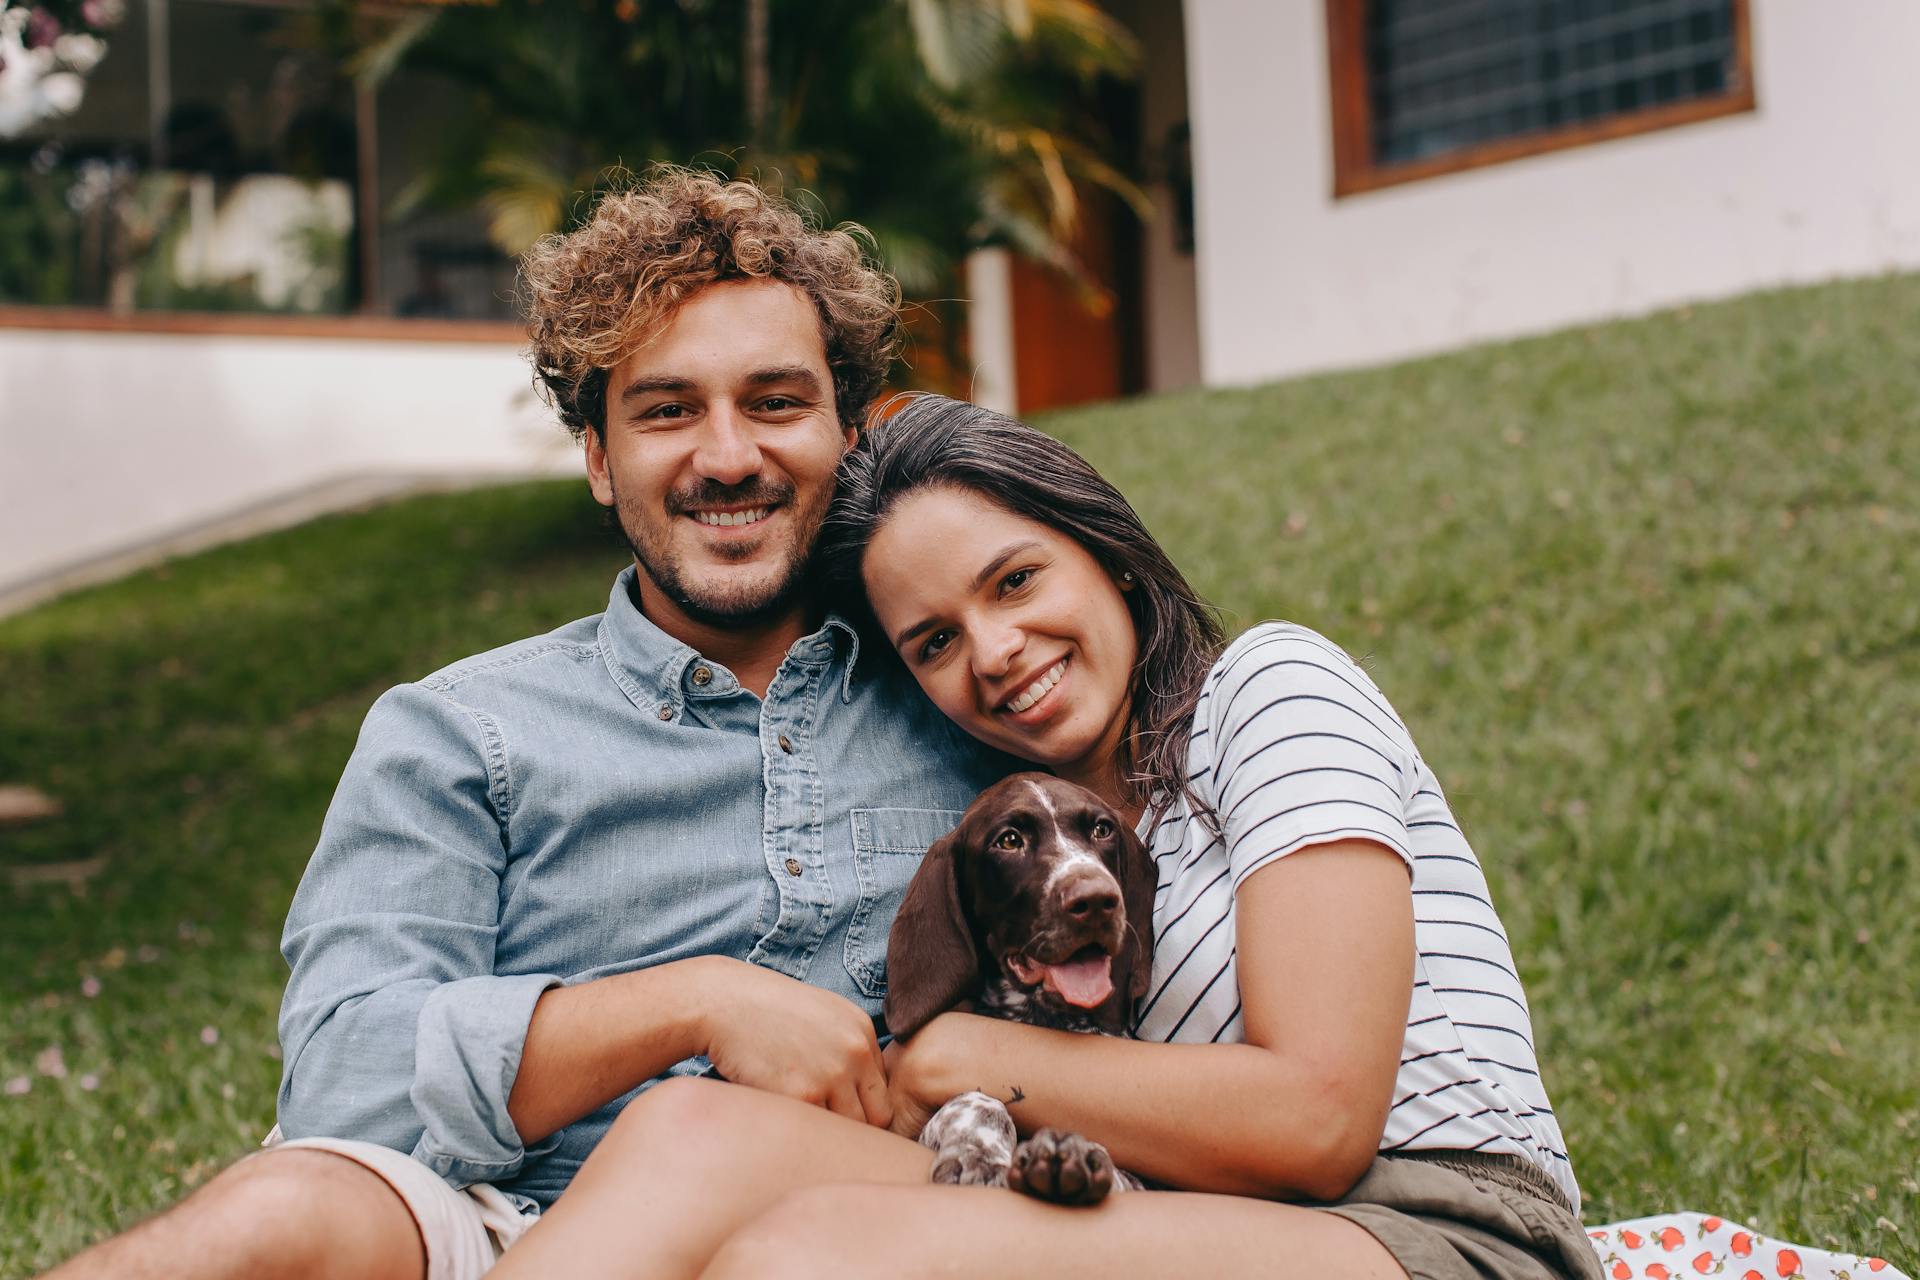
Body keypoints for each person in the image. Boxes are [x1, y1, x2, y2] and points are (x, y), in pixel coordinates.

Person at [40, 174, 1011, 1280]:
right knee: (274, 1215)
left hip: (854, 1234)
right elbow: (344, 1076)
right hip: (497, 1222)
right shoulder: (456, 734)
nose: (729, 455)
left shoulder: (962, 692)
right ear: (599, 457)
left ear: (849, 431)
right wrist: (689, 1003)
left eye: (777, 402)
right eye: (667, 409)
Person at [483, 395, 1605, 1280]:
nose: (998, 649)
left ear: (1104, 548)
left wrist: (960, 1056)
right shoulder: (1016, 828)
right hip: (1202, 1222)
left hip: (1439, 1231)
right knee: (693, 1133)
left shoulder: (1267, 690)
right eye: (934, 640)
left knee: (814, 1256)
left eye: (1016, 580)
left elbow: (1320, 1118)